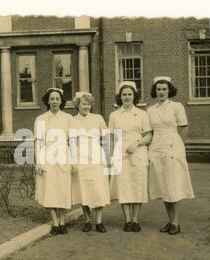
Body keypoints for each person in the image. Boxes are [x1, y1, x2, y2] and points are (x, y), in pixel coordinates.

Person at [147, 76, 194, 235]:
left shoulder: (177, 106)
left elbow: (184, 127)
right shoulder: (151, 110)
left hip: (172, 145)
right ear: (155, 91)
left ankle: (176, 222)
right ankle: (170, 220)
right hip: (157, 146)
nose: (161, 92)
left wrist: (180, 145)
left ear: (169, 90)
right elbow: (150, 131)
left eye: (164, 89)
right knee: (163, 186)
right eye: (158, 89)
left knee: (173, 184)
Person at [109, 81, 152, 232]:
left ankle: (135, 220)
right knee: (124, 187)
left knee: (137, 186)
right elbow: (112, 138)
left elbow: (148, 135)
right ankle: (127, 220)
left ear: (134, 96)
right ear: (119, 97)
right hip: (121, 154)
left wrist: (137, 144)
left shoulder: (142, 114)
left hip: (138, 152)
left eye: (129, 94)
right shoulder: (114, 115)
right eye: (124, 94)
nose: (127, 97)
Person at [34, 88, 76, 236]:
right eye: (52, 99)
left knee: (62, 189)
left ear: (61, 100)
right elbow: (38, 142)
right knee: (50, 190)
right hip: (47, 157)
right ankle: (55, 222)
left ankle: (63, 220)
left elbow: (72, 141)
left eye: (57, 98)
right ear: (48, 100)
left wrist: (73, 161)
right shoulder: (41, 119)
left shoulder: (68, 118)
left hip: (64, 156)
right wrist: (38, 162)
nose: (54, 101)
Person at [71, 92, 110, 233]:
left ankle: (99, 221)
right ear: (78, 105)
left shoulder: (97, 118)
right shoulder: (73, 120)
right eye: (83, 103)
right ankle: (87, 220)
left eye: (88, 104)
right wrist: (74, 161)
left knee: (98, 189)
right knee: (84, 189)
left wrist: (107, 158)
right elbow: (72, 141)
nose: (86, 106)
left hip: (96, 155)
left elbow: (105, 139)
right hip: (81, 156)